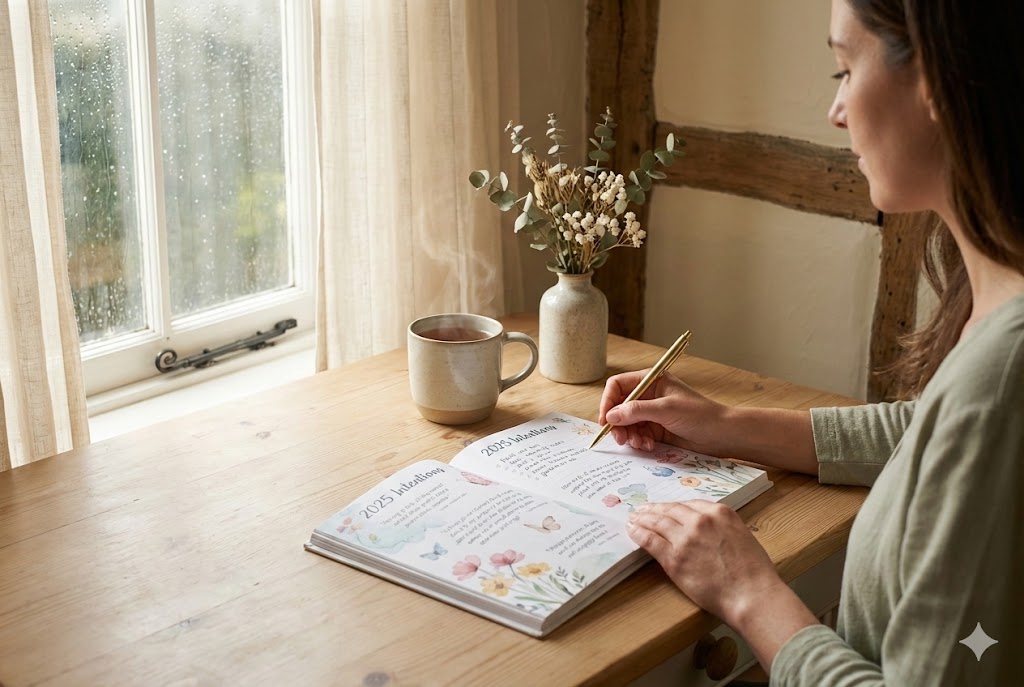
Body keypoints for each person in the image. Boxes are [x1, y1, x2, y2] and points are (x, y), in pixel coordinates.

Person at [598, 0, 1024, 683]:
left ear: (938, 82)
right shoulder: (1001, 312)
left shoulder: (1006, 373)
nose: (836, 110)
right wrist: (727, 424)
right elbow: (936, 439)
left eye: (844, 68)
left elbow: (972, 425)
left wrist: (750, 592)